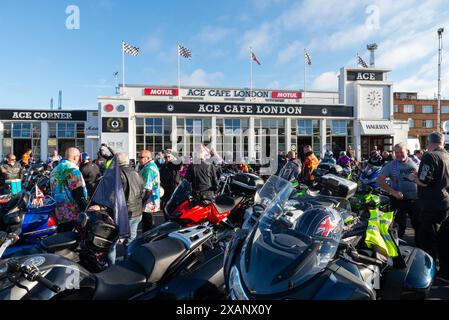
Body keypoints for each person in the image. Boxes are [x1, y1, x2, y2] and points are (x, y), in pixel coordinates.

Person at [408, 132, 449, 280]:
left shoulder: (429, 156)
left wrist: (413, 177)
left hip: (431, 206)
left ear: (428, 143)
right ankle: (445, 272)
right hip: (446, 205)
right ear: (442, 143)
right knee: (444, 240)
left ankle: (427, 275)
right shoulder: (447, 156)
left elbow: (425, 181)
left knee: (427, 241)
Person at [376, 142, 420, 243]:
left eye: (401, 152)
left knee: (418, 224)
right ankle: (398, 248)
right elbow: (379, 180)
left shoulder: (415, 162)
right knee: (400, 226)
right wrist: (393, 192)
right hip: (398, 200)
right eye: (396, 152)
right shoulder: (391, 165)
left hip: (415, 199)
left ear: (407, 151)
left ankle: (419, 247)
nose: (399, 154)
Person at [50, 148, 88, 232]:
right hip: (72, 214)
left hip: (58, 212)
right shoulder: (72, 170)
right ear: (75, 157)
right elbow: (78, 193)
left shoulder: (55, 170)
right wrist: (86, 209)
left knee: (62, 239)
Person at [117, 153, 144, 258]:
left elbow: (113, 195)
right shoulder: (137, 173)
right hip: (136, 211)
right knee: (131, 239)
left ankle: (112, 266)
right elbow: (143, 191)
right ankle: (129, 259)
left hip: (124, 213)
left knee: (112, 242)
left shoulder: (118, 174)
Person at [138, 150, 161, 232]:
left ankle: (149, 241)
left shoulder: (149, 169)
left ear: (148, 158)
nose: (138, 159)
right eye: (138, 156)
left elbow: (147, 189)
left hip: (149, 199)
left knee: (148, 224)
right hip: (151, 198)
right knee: (148, 221)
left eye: (141, 157)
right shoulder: (149, 166)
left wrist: (140, 202)